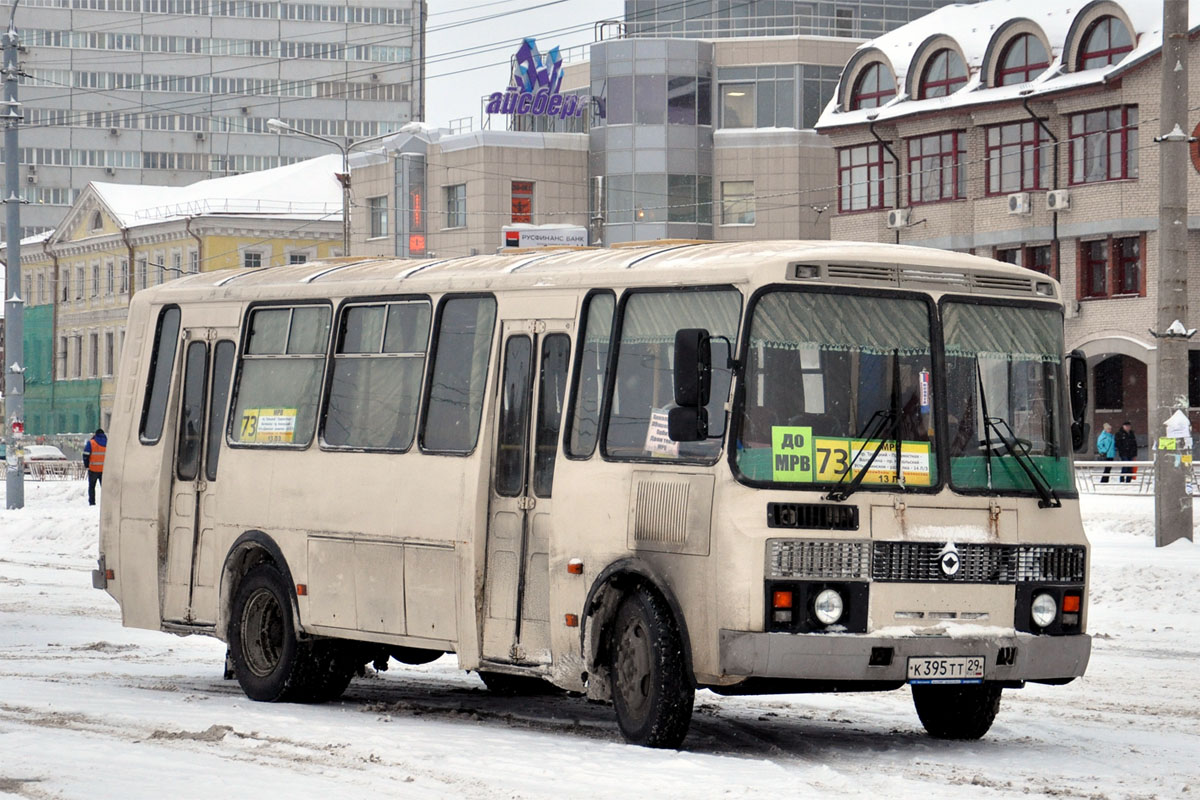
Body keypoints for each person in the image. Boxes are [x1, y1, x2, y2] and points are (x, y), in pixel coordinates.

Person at [83, 428, 107, 506]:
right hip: (104, 470)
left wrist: (86, 465)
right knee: (105, 489)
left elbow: (86, 454)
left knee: (92, 487)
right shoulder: (108, 443)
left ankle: (92, 502)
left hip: (93, 469)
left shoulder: (91, 443)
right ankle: (106, 503)